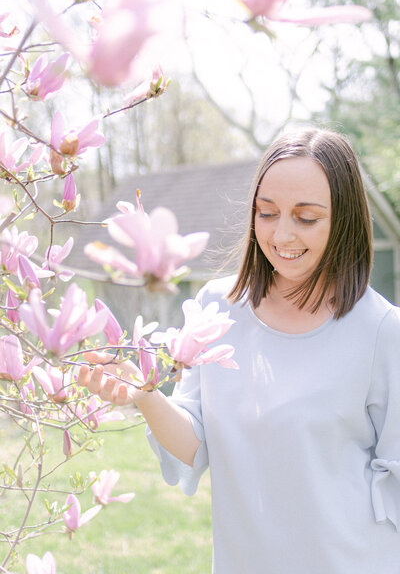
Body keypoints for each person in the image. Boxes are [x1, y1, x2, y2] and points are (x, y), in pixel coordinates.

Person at [78, 127, 400, 574]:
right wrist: (144, 393)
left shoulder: (381, 330)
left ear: (343, 218)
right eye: (267, 213)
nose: (282, 234)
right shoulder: (216, 307)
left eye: (306, 217)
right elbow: (196, 444)